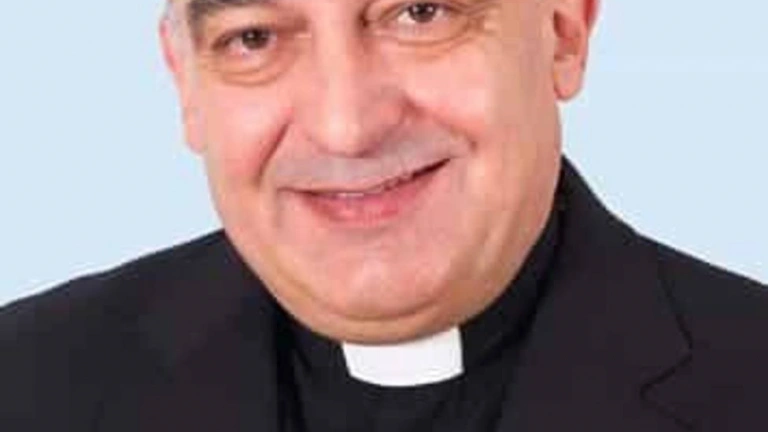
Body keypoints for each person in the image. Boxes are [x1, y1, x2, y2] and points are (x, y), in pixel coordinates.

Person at [2, 0, 766, 430]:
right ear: (186, 84)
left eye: (420, 13)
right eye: (254, 38)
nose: (347, 126)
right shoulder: (28, 382)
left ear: (563, 34)